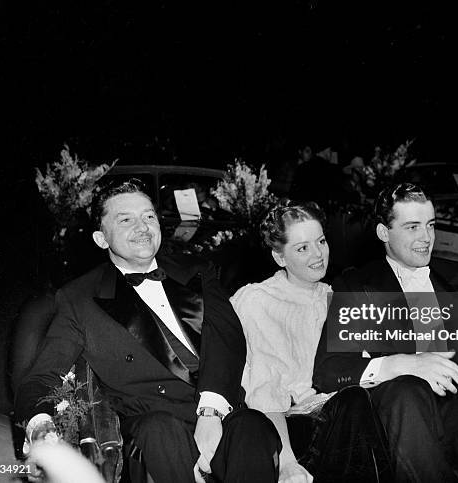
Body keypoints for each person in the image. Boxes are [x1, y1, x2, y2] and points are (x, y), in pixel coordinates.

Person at [15, 179, 280, 483]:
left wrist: (211, 414)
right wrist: (40, 429)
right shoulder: (78, 299)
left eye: (149, 216)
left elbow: (227, 341)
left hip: (216, 406)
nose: (143, 227)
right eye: (126, 219)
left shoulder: (197, 270)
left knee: (252, 425)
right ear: (102, 239)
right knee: (159, 430)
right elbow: (42, 377)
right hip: (152, 424)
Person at [313, 182, 458, 482]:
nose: (426, 238)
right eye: (412, 227)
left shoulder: (455, 274)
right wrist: (403, 363)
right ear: (384, 233)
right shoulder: (357, 285)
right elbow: (328, 370)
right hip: (405, 421)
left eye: (430, 225)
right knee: (404, 390)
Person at [230, 199, 393, 483]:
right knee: (354, 400)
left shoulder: (333, 296)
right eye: (302, 248)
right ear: (280, 257)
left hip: (340, 417)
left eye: (321, 241)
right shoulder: (259, 301)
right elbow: (265, 394)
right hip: (282, 429)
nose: (318, 254)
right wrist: (287, 463)